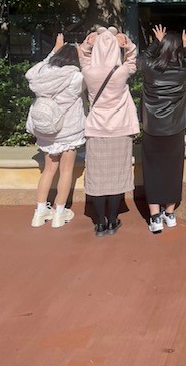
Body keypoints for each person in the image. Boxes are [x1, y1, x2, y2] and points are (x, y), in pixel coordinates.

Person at [78, 26, 139, 236]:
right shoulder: (121, 71)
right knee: (116, 177)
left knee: (97, 179)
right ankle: (113, 221)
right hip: (120, 129)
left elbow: (83, 55)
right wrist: (127, 44)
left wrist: (89, 43)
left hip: (96, 130)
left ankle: (100, 223)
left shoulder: (89, 72)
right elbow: (132, 59)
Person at [138, 25, 186, 233]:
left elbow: (142, 59)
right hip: (175, 129)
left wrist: (156, 42)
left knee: (152, 170)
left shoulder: (149, 69)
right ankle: (169, 214)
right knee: (173, 169)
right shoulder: (183, 72)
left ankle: (155, 217)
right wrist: (185, 48)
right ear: (179, 49)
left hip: (152, 128)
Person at [26, 33, 86, 228]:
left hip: (46, 130)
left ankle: (39, 212)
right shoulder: (76, 76)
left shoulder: (42, 73)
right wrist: (82, 55)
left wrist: (54, 50)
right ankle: (59, 213)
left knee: (48, 169)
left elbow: (33, 71)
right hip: (68, 131)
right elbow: (89, 75)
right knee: (66, 170)